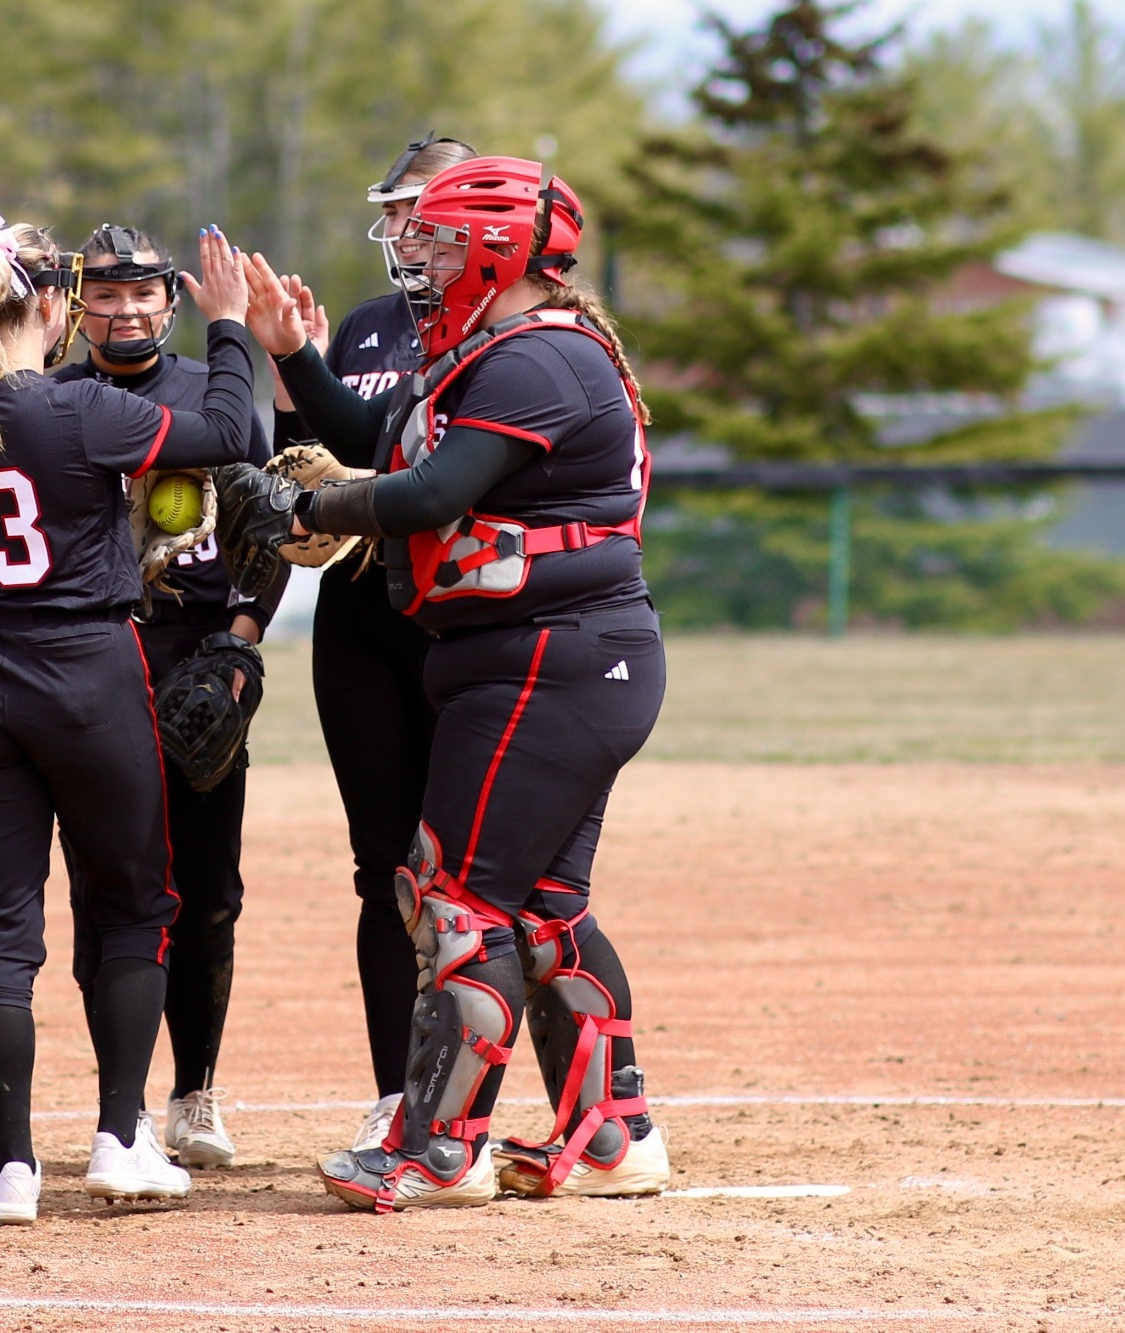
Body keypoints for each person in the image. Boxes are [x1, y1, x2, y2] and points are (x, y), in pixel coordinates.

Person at [229, 155, 671, 1209]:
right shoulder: (490, 351)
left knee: (452, 895)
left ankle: (436, 1146)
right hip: (545, 656)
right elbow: (372, 441)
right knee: (542, 906)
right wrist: (293, 355)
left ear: (498, 249)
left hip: (551, 658)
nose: (415, 258)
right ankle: (613, 1131)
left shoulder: (536, 361)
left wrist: (300, 515)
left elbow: (427, 493)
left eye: (435, 239)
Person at [0, 209, 257, 1225]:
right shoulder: (79, 412)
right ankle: (118, 1138)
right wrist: (227, 324)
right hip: (86, 674)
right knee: (133, 908)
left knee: (0, 931)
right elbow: (230, 433)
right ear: (53, 307)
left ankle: (11, 1169)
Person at [51, 224, 280, 1170]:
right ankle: (125, 1103)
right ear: (76, 308)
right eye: (103, 295)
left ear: (172, 301)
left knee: (209, 892)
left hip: (197, 660)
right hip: (90, 663)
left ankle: (195, 1092)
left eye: (143, 293)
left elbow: (269, 526)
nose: (125, 309)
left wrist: (239, 647)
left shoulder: (208, 392)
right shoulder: (52, 398)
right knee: (105, 891)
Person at [271, 135, 478, 1153]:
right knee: (382, 870)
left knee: (477, 874)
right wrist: (291, 496)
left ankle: (477, 1098)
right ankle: (400, 1094)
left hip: (464, 625)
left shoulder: (510, 336)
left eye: (420, 207)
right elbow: (321, 444)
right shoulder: (360, 327)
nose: (401, 228)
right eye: (394, 208)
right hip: (360, 621)